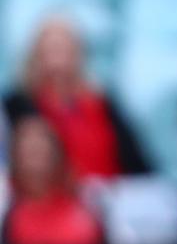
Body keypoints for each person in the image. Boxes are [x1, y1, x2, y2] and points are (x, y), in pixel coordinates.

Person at [3, 18, 151, 180]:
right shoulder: (18, 105)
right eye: (52, 48)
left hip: (109, 193)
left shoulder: (102, 103)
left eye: (64, 48)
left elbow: (136, 162)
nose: (58, 57)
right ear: (36, 54)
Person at [2, 115, 106, 244]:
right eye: (28, 154)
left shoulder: (88, 214)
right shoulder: (9, 219)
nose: (35, 165)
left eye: (40, 153)